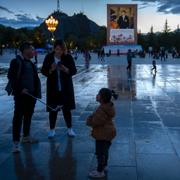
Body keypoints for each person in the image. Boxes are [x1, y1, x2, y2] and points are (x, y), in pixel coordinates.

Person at [7, 42, 41, 153]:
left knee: (28, 116)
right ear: (25, 50)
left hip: (31, 95)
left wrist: (36, 92)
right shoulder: (16, 62)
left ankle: (26, 136)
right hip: (21, 96)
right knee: (18, 118)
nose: (33, 51)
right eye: (32, 49)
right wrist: (20, 89)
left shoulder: (30, 63)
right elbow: (11, 77)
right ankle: (15, 143)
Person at [41, 40, 77, 138]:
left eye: (61, 50)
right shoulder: (49, 57)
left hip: (65, 87)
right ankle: (52, 130)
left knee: (67, 109)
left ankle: (70, 129)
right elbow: (43, 71)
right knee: (53, 109)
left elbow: (74, 70)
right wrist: (51, 69)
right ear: (54, 48)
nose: (59, 52)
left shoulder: (68, 57)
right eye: (57, 49)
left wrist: (65, 69)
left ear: (64, 49)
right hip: (53, 88)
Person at [86, 88, 117, 178]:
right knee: (105, 151)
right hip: (108, 132)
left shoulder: (101, 110)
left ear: (102, 98)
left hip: (102, 134)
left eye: (98, 94)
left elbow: (96, 121)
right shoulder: (107, 106)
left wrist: (89, 119)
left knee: (100, 153)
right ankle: (104, 166)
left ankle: (100, 171)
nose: (96, 95)